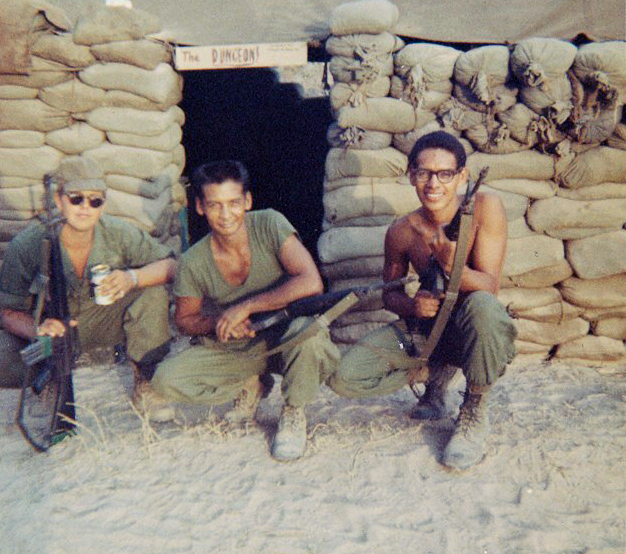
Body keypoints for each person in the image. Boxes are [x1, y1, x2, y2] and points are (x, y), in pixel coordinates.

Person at [328, 131, 517, 470]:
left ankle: (473, 410)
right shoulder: (401, 231)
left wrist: (450, 263)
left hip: (470, 328)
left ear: (462, 176)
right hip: (425, 329)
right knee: (345, 376)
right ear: (410, 174)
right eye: (424, 172)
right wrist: (413, 306)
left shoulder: (485, 209)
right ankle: (434, 374)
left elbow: (489, 286)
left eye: (445, 174)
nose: (434, 183)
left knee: (485, 309)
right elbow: (390, 295)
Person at [151, 160, 340, 461]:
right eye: (215, 205)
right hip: (241, 346)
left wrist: (246, 306)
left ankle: (292, 412)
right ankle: (250, 383)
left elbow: (311, 281)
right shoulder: (193, 261)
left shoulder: (270, 224)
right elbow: (185, 321)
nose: (226, 215)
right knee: (167, 379)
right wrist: (220, 323)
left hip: (286, 337)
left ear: (248, 201)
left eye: (234, 203)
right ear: (200, 207)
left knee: (310, 335)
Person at [0, 156, 177, 421]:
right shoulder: (29, 244)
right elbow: (7, 311)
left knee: (151, 293)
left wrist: (132, 277)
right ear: (59, 200)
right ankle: (51, 380)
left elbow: (173, 265)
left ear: (103, 205)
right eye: (76, 198)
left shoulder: (118, 233)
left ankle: (146, 380)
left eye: (95, 200)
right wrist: (38, 330)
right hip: (51, 334)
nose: (85, 207)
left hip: (101, 324)